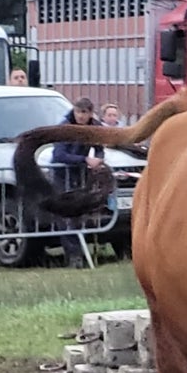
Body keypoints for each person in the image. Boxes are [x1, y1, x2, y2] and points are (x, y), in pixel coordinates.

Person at [51, 97, 104, 269]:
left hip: (80, 175)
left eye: (84, 113)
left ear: (90, 113)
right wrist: (85, 159)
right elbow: (59, 155)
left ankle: (80, 254)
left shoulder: (95, 127)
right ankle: (74, 256)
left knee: (78, 216)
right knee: (65, 216)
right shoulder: (64, 128)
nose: (80, 117)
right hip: (62, 175)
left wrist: (98, 160)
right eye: (78, 112)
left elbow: (100, 147)